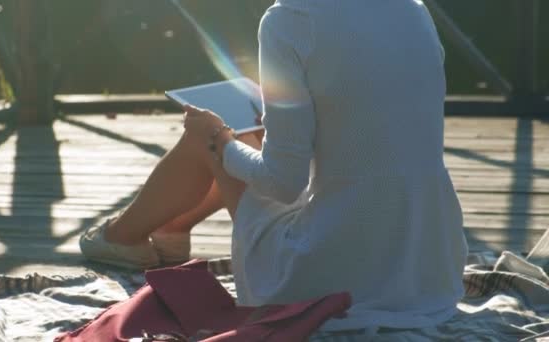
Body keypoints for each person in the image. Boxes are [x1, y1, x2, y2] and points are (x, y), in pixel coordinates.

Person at [80, 0, 468, 336]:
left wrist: (220, 140)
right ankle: (169, 230)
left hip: (332, 274)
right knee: (249, 133)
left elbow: (283, 183)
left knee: (207, 133)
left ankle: (124, 238)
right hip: (425, 266)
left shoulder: (292, 19)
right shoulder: (413, 10)